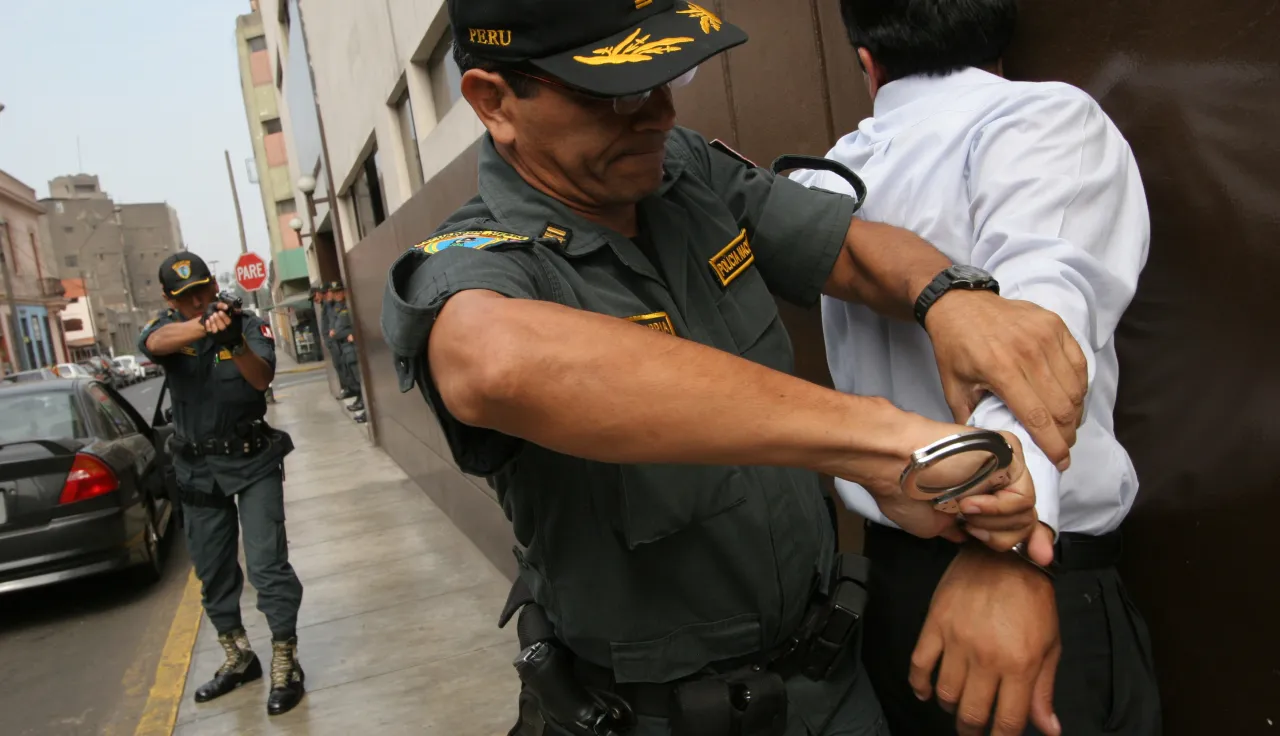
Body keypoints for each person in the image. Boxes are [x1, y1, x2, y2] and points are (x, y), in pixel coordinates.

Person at [381, 1, 1088, 734]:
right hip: (659, 715)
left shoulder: (683, 174)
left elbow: (844, 249)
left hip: (830, 687)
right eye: (617, 92)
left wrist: (948, 298)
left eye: (669, 75)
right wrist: (887, 447)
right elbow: (493, 363)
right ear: (493, 101)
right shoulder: (477, 259)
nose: (656, 112)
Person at [791, 2, 1161, 734]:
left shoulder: (832, 176)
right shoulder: (1044, 121)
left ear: (867, 63)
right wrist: (1014, 551)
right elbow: (1042, 318)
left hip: (890, 592)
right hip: (1028, 586)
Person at [138, 252, 306, 716]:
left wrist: (232, 338)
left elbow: (260, 378)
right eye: (185, 297)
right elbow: (154, 342)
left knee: (267, 565)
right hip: (197, 471)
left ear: (215, 284)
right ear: (171, 300)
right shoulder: (172, 330)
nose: (198, 301)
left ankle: (285, 661)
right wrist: (203, 326)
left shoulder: (247, 326)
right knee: (212, 571)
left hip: (252, 462)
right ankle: (238, 655)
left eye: (204, 291)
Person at [329, 282, 367, 423]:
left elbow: (339, 330)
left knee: (360, 379)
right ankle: (362, 404)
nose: (337, 294)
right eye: (335, 292)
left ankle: (365, 408)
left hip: (351, 348)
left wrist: (340, 333)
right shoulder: (338, 308)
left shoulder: (347, 308)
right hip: (345, 349)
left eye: (339, 291)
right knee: (355, 379)